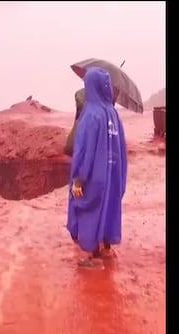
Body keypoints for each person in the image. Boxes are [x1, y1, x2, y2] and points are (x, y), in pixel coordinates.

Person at [66, 68, 128, 268]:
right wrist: (120, 177)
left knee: (88, 212)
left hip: (94, 176)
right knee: (108, 208)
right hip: (112, 175)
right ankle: (107, 249)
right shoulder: (114, 114)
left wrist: (78, 179)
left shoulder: (91, 115)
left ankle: (94, 257)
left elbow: (84, 151)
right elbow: (121, 149)